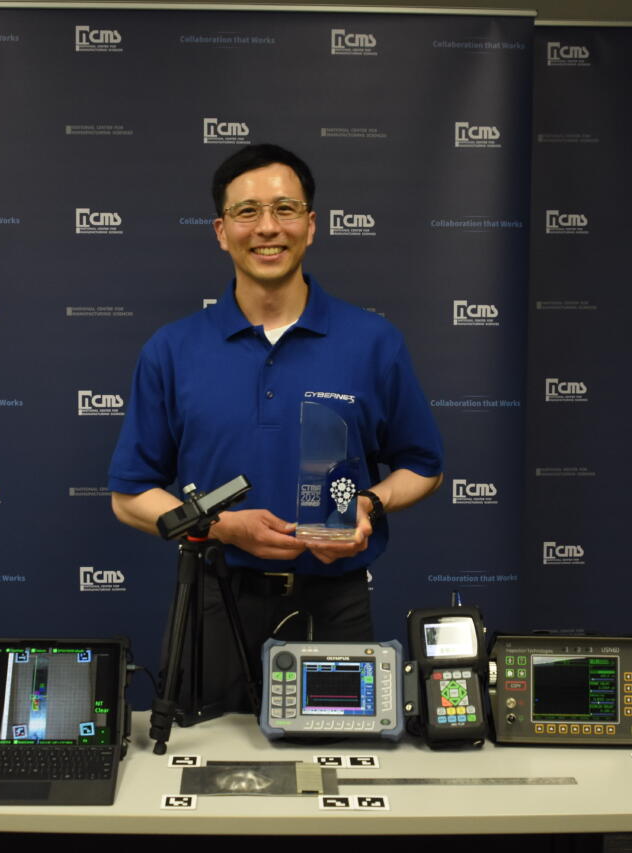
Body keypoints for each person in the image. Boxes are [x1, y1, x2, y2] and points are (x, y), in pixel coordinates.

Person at [108, 143, 443, 712]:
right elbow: (129, 496)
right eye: (247, 212)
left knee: (334, 757)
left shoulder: (373, 342)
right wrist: (221, 527)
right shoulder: (172, 349)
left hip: (335, 606)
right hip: (215, 602)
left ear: (311, 225)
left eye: (285, 209)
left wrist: (369, 504)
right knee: (207, 757)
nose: (268, 228)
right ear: (221, 231)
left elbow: (423, 467)